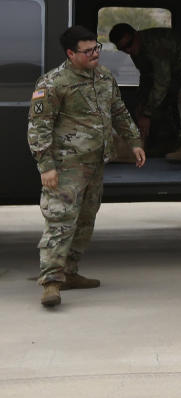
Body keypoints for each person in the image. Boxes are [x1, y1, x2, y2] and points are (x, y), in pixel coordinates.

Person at [27, 25, 146, 308]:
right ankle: (51, 283)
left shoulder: (103, 77)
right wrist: (47, 167)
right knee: (59, 222)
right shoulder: (53, 83)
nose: (95, 54)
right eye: (88, 50)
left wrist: (134, 141)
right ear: (71, 53)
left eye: (97, 48)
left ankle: (70, 272)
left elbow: (118, 110)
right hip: (66, 166)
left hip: (95, 165)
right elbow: (38, 128)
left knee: (84, 221)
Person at [108, 22, 181, 164]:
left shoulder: (155, 45)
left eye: (129, 44)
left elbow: (162, 82)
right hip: (178, 67)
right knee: (155, 101)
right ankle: (166, 143)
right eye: (123, 49)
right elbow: (147, 78)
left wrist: (146, 114)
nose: (129, 50)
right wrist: (142, 105)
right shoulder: (137, 50)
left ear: (136, 34)